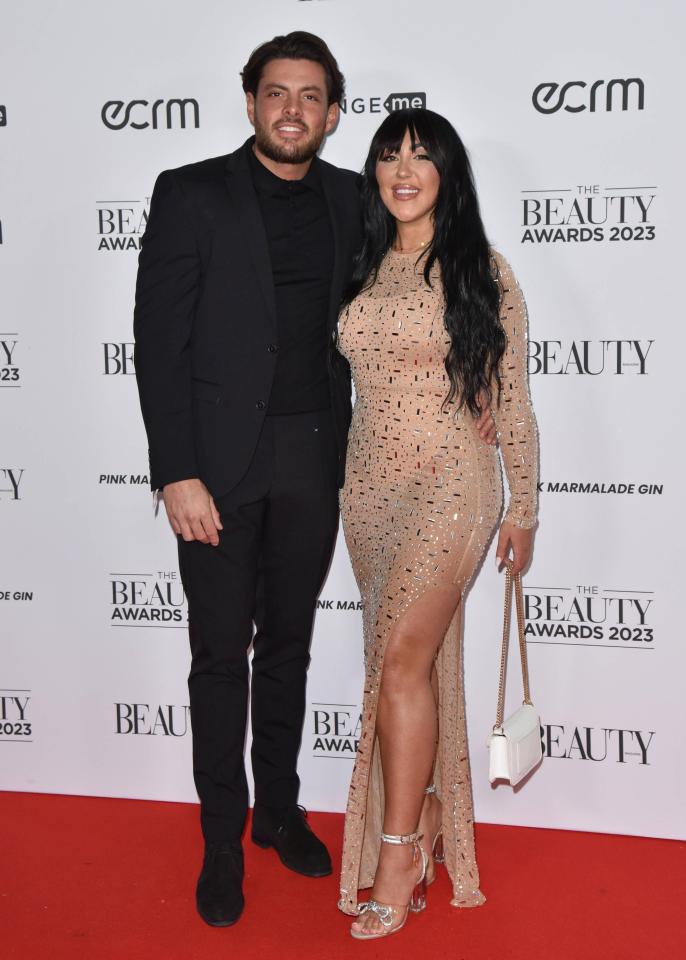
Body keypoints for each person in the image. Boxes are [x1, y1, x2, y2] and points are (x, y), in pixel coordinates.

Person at [134, 32, 496, 928]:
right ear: (251, 101)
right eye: (276, 92)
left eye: (310, 96)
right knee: (221, 658)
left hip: (319, 463)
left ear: (332, 115)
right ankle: (222, 840)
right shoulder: (190, 195)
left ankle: (279, 812)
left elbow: (418, 300)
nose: (292, 109)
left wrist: (476, 387)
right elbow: (157, 343)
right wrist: (175, 470)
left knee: (289, 649)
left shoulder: (353, 199)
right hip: (215, 473)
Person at [336, 108, 539, 940]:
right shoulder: (359, 263)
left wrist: (521, 504)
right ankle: (419, 821)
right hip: (367, 492)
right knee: (400, 672)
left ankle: (397, 855)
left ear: (448, 174)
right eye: (390, 156)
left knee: (397, 665)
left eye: (422, 157)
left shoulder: (481, 270)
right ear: (375, 175)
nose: (404, 170)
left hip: (452, 489)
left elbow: (514, 397)